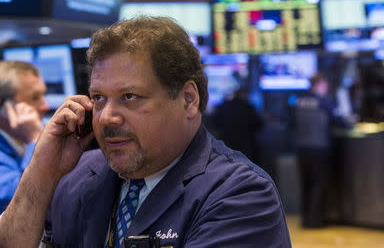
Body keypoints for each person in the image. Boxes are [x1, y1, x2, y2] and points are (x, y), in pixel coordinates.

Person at [0, 17, 291, 248]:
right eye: (99, 97)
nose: (107, 116)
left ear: (189, 99)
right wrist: (41, 169)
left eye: (129, 96)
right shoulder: (75, 175)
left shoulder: (241, 195)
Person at [291, 73, 339, 228]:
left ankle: (305, 219)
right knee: (318, 185)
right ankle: (316, 221)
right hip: (319, 149)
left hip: (302, 149)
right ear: (320, 84)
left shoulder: (298, 100)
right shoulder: (324, 102)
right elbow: (339, 121)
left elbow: (290, 123)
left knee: (305, 185)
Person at [0, 61, 49, 212]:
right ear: (6, 108)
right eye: (35, 98)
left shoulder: (23, 137)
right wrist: (35, 141)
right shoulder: (32, 137)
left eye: (43, 95)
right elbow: (17, 202)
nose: (45, 106)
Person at [213, 88, 263, 163]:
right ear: (243, 95)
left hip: (227, 142)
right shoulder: (248, 107)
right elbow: (258, 125)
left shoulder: (224, 106)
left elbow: (215, 123)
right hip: (245, 144)